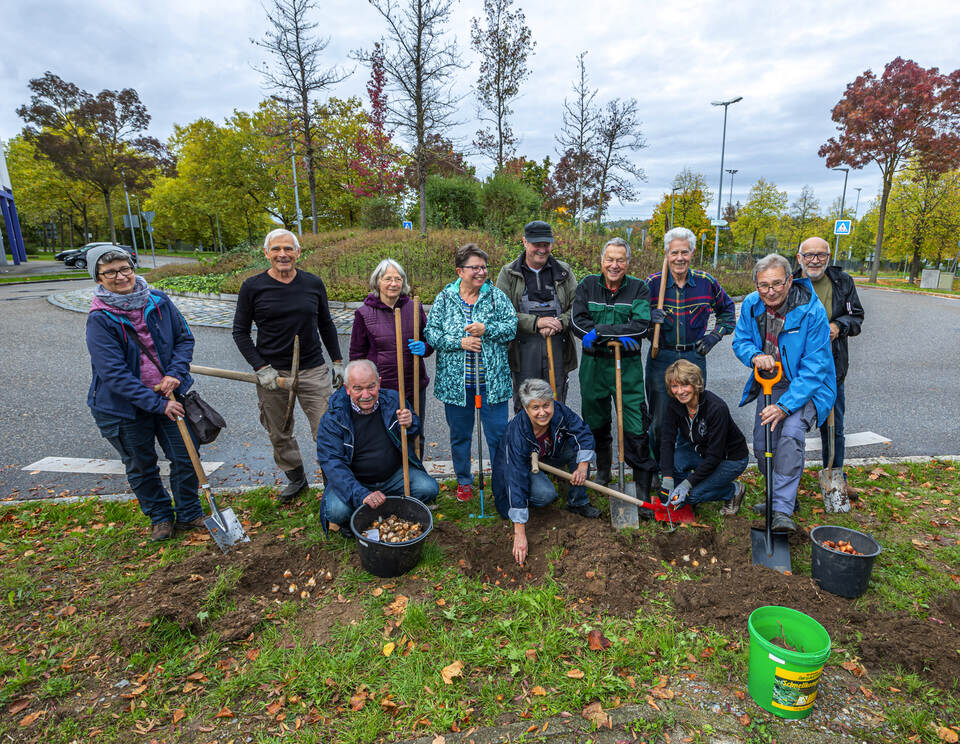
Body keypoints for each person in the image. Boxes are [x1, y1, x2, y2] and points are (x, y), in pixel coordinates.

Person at [84, 246, 203, 542]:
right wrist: (155, 403)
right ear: (99, 279)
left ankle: (189, 512)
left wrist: (175, 373)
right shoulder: (100, 319)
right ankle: (160, 517)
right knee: (141, 465)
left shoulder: (159, 301)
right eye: (110, 272)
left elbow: (184, 338)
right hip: (123, 407)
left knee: (187, 456)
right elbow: (113, 374)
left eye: (125, 268)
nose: (120, 276)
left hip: (169, 396)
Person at [233, 228, 343, 504]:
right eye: (276, 249)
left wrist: (338, 362)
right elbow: (240, 332)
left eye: (288, 249)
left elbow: (326, 324)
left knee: (328, 428)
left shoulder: (313, 284)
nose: (283, 254)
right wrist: (261, 368)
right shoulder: (253, 287)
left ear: (298, 252)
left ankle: (333, 483)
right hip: (273, 373)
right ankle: (297, 479)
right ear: (266, 253)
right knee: (278, 430)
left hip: (312, 370)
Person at [732, 253, 836, 532]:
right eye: (763, 285)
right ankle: (781, 497)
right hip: (771, 382)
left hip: (809, 386)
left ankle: (781, 510)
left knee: (789, 435)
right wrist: (754, 355)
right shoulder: (753, 305)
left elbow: (815, 368)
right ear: (756, 285)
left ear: (790, 281)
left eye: (777, 284)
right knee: (764, 442)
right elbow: (740, 340)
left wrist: (785, 406)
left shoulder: (811, 312)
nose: (770, 291)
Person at [424, 243, 517, 502]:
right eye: (474, 267)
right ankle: (464, 481)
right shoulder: (444, 298)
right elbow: (431, 334)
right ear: (460, 271)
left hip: (492, 382)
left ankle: (501, 482)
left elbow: (511, 327)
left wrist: (487, 328)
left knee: (498, 436)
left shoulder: (496, 296)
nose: (481, 272)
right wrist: (460, 342)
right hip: (457, 385)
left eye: (484, 267)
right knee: (460, 436)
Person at [571, 237, 657, 499]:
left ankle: (642, 482)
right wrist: (617, 332)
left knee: (635, 425)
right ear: (602, 261)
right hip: (594, 365)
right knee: (595, 422)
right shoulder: (587, 285)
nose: (614, 265)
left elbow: (642, 324)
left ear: (628, 262)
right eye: (610, 259)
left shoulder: (639, 288)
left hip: (627, 367)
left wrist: (600, 331)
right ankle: (604, 471)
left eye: (620, 259)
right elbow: (577, 321)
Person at [644, 227, 736, 459]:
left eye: (684, 252)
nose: (679, 258)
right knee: (659, 417)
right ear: (666, 254)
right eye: (674, 253)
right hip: (661, 356)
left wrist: (714, 336)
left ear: (692, 252)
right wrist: (647, 321)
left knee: (693, 415)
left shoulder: (706, 283)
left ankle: (687, 465)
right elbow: (633, 321)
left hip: (694, 357)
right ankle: (658, 467)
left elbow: (727, 311)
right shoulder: (652, 285)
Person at [317, 360, 438, 533]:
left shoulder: (394, 400)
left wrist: (411, 423)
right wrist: (361, 494)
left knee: (429, 488)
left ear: (379, 382)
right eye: (358, 388)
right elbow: (331, 463)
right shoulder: (333, 418)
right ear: (347, 388)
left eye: (371, 387)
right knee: (336, 511)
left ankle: (380, 511)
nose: (366, 395)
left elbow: (411, 432)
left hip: (393, 476)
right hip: (355, 480)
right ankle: (367, 513)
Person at [493, 379, 599, 565]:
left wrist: (583, 465)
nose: (542, 412)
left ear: (552, 403)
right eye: (535, 407)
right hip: (524, 467)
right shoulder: (516, 434)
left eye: (546, 405)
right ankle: (529, 504)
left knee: (578, 452)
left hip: (548, 454)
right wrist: (520, 533)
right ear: (526, 408)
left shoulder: (559, 411)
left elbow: (581, 431)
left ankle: (577, 502)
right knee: (545, 494)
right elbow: (515, 479)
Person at [793, 237, 864, 469]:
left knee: (834, 427)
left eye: (820, 255)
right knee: (791, 428)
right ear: (799, 258)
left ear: (828, 257)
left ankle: (835, 475)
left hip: (831, 368)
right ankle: (789, 481)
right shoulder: (790, 283)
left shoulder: (843, 282)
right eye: (809, 255)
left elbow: (856, 317)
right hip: (796, 369)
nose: (815, 260)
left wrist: (838, 326)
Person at [495, 220, 578, 409]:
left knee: (555, 404)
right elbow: (501, 313)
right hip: (523, 350)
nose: (542, 249)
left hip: (557, 347)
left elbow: (577, 306)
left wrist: (560, 322)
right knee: (527, 404)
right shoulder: (508, 273)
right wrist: (536, 323)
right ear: (525, 242)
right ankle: (525, 438)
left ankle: (554, 437)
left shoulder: (564, 271)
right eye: (536, 244)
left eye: (546, 244)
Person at [349, 258, 432, 434]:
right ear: (377, 282)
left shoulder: (414, 307)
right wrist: (358, 382)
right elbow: (357, 353)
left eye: (398, 279)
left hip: (414, 383)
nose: (393, 284)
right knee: (386, 434)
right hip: (382, 388)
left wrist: (425, 347)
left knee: (415, 431)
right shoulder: (364, 313)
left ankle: (415, 462)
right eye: (387, 279)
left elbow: (430, 338)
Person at [659, 360, 749, 515]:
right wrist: (667, 479)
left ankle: (732, 491)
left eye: (685, 385)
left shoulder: (716, 408)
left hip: (730, 459)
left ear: (695, 384)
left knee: (692, 495)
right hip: (701, 452)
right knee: (676, 461)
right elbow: (667, 442)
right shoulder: (675, 405)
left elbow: (715, 456)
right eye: (675, 386)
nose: (680, 391)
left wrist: (688, 484)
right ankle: (689, 491)